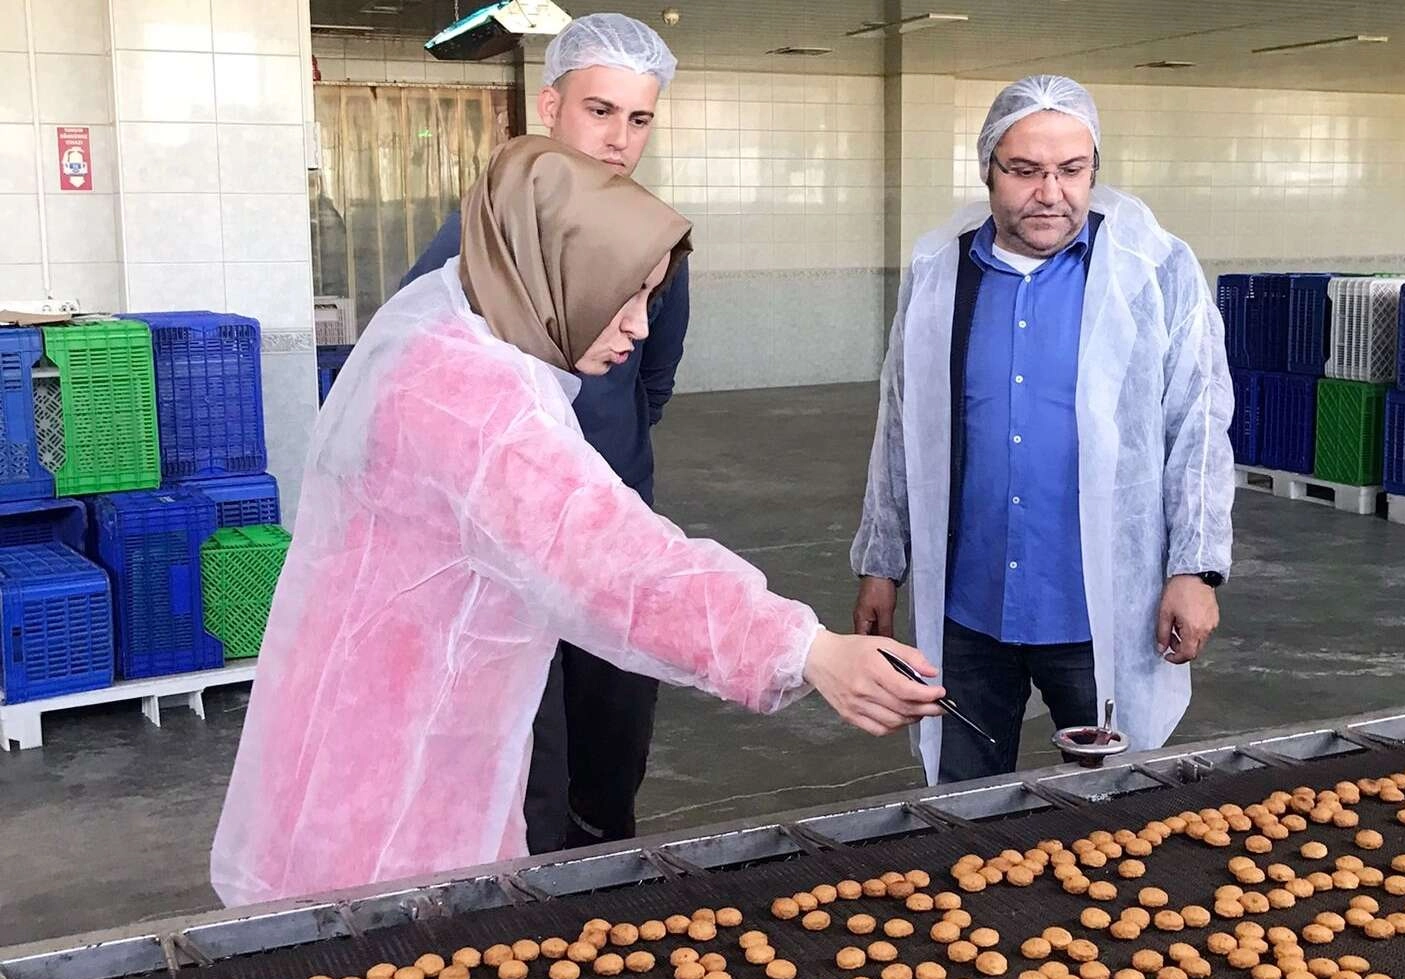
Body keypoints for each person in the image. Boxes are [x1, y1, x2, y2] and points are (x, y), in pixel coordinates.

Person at [210, 137, 944, 907]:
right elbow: (618, 566)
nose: (637, 328)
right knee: (386, 942)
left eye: (648, 301)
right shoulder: (471, 400)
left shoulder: (448, 332)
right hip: (391, 791)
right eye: (621, 295)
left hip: (375, 734)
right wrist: (806, 650)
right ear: (556, 272)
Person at [850, 75, 1234, 786]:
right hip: (970, 603)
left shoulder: (1151, 272)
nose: (1050, 193)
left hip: (1099, 606)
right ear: (988, 170)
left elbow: (1200, 424)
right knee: (964, 802)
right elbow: (902, 425)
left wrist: (1195, 568)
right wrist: (882, 562)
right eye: (1025, 170)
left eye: (1071, 170)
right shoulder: (940, 273)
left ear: (1094, 171)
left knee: (1115, 804)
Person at [402, 13, 690, 854]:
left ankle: (605, 880)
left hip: (611, 537)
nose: (618, 139)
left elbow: (652, 381)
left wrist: (596, 467)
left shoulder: (654, 240)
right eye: (600, 111)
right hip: (501, 553)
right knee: (529, 762)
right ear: (551, 104)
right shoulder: (476, 242)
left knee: (613, 746)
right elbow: (423, 390)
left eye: (639, 119)